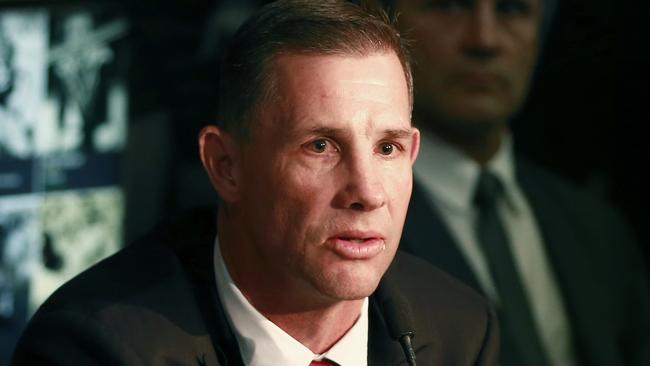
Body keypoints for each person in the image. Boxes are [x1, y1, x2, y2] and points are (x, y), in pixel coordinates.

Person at [11, 1, 500, 365]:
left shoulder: (461, 329)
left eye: (387, 148)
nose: (368, 193)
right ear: (226, 166)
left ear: (413, 153)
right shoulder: (98, 349)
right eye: (321, 146)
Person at [378, 0, 650, 366]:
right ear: (379, 20)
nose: (485, 40)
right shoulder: (354, 226)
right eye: (448, 6)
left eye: (511, 9)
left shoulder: (598, 230)